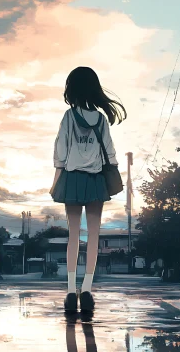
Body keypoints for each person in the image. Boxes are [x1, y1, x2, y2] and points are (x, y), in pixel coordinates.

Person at [50, 66, 126, 313]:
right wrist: (114, 172)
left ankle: (71, 291)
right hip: (95, 179)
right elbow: (110, 151)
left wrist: (56, 177)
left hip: (72, 177)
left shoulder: (69, 117)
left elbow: (61, 149)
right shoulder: (101, 120)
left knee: (74, 234)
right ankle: (88, 291)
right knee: (94, 234)